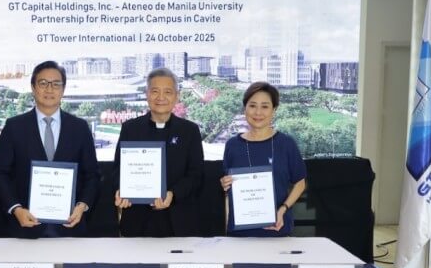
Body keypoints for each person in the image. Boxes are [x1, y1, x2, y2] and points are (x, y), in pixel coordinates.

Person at [0, 61, 99, 238]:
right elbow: (0, 173)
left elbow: (92, 175)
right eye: (43, 83)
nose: (49, 89)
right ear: (33, 88)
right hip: (24, 228)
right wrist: (16, 208)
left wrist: (82, 206)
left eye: (56, 84)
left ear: (63, 89)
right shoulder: (14, 127)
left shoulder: (80, 128)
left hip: (71, 228)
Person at [113, 68, 204, 237]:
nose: (161, 97)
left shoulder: (189, 131)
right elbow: (118, 169)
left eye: (168, 92)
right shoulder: (131, 128)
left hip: (179, 222)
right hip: (137, 221)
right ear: (147, 94)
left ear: (177, 96)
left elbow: (196, 175)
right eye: (155, 91)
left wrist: (173, 194)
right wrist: (121, 190)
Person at [220, 81, 306, 236]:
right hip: (239, 234)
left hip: (277, 229)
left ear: (274, 110)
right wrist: (225, 185)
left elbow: (300, 183)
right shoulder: (232, 145)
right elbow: (228, 187)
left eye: (265, 106)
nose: (258, 112)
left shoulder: (286, 144)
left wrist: (283, 209)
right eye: (252, 105)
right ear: (245, 108)